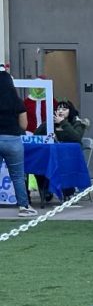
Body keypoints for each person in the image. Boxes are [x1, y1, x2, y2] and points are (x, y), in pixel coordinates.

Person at [33, 99, 88, 204]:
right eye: (58, 109)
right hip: (53, 155)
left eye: (64, 109)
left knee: (63, 166)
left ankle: (68, 193)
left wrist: (63, 123)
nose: (61, 111)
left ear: (70, 111)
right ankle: (46, 190)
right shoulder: (52, 123)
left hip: (70, 157)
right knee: (38, 164)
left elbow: (76, 137)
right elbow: (37, 134)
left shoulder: (77, 123)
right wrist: (48, 123)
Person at [0, 66, 37, 218]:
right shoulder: (17, 102)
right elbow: (24, 125)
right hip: (13, 140)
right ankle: (24, 206)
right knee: (17, 175)